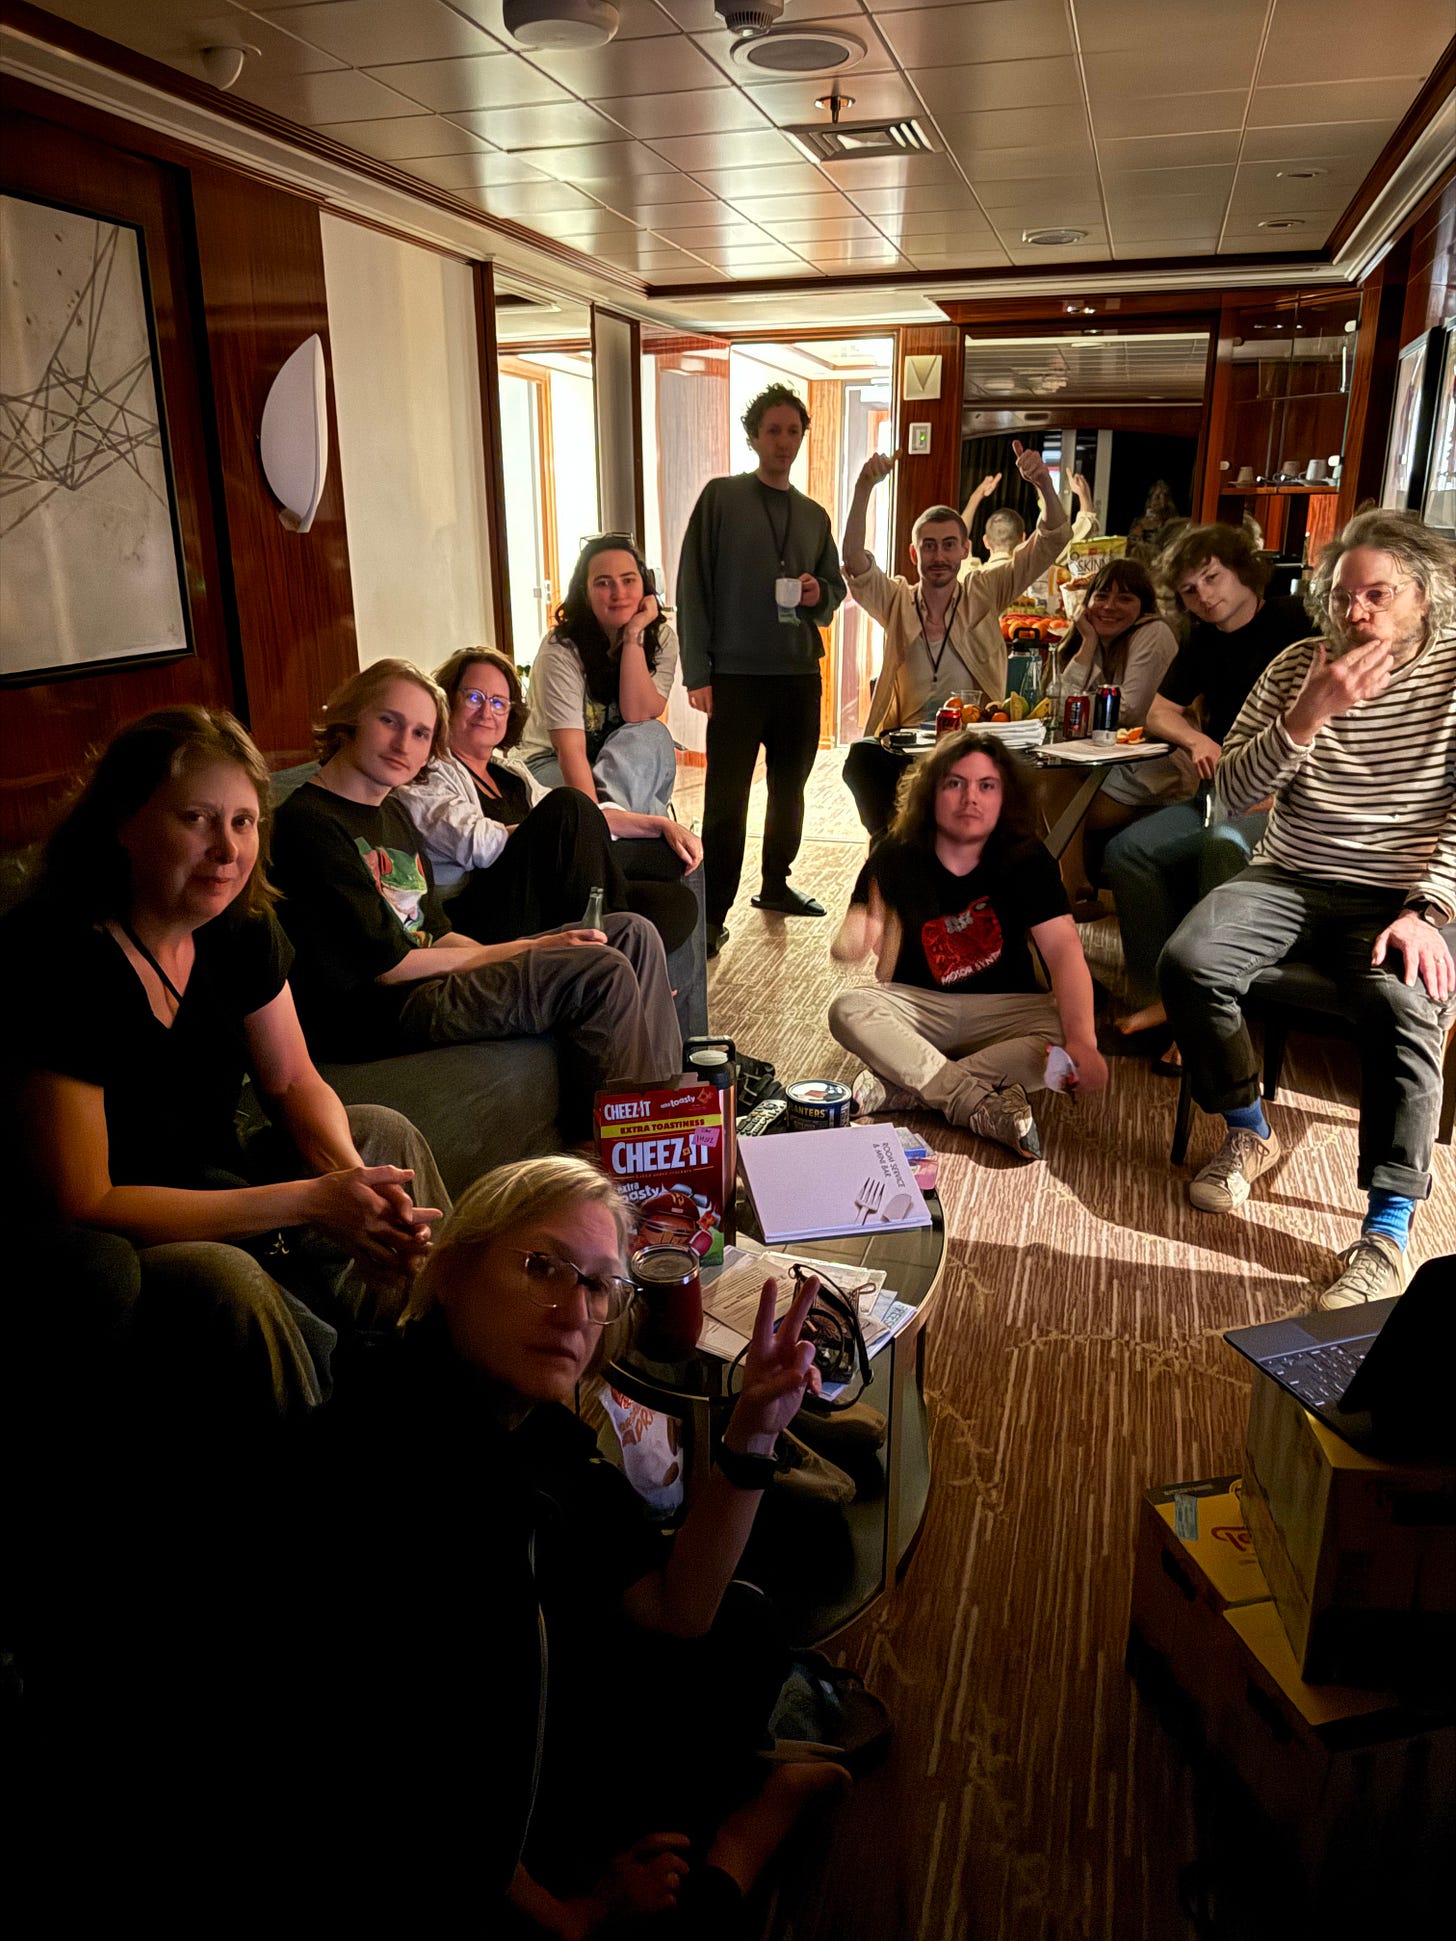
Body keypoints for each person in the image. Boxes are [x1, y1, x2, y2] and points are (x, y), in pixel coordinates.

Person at [316, 1156, 848, 1934]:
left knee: (743, 1626)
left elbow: (678, 1607)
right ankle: (749, 1827)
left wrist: (754, 1431)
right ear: (455, 1269)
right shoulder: (384, 1458)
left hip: (547, 1724)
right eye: (543, 1266)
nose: (574, 1308)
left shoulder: (539, 1435)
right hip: (442, 1821)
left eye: (598, 1285)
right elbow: (400, 1773)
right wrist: (571, 1911)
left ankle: (732, 1803)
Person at [9, 705, 447, 1412]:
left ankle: (448, 1356)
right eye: (197, 819)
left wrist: (356, 1182)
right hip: (114, 1226)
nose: (227, 850)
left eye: (244, 822)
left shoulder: (239, 925)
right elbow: (86, 1198)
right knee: (227, 1279)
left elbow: (292, 1078)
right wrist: (312, 1198)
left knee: (380, 1135)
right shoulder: (57, 956)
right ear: (126, 821)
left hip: (215, 1170)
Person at [1160, 510, 1456, 1306]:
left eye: (1378, 595)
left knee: (1406, 998)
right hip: (1290, 872)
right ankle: (1251, 1129)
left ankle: (1387, 1230)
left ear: (1423, 598)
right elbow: (1233, 794)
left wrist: (1430, 910)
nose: (1357, 612)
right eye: (1345, 596)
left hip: (1403, 895)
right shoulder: (1299, 666)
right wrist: (1307, 714)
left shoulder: (1455, 673)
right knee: (1187, 962)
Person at [270, 660, 682, 1139]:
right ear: (351, 716)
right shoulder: (309, 823)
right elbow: (390, 966)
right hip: (385, 1008)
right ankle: (629, 1154)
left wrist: (533, 948)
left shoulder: (391, 815)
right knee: (602, 967)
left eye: (421, 733)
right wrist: (528, 949)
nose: (405, 744)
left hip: (427, 979)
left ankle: (672, 1126)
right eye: (389, 721)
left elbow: (437, 932)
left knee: (632, 931)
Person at [829, 730, 1108, 1160]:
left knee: (1063, 1037)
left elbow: (1065, 954)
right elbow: (852, 941)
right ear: (931, 793)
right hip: (920, 1006)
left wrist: (1084, 1043)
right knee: (847, 1010)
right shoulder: (894, 852)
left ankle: (909, 1088)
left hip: (1008, 1008)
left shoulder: (1028, 858)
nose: (970, 799)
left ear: (1004, 797)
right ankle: (973, 1100)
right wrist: (854, 935)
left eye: (986, 786)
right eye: (955, 783)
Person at [1102, 524, 1311, 1053]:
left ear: (1243, 570)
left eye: (1212, 578)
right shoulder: (1200, 640)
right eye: (1191, 590)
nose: (1205, 596)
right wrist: (1195, 738)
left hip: (1287, 801)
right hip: (1219, 792)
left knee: (1225, 847)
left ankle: (1203, 1013)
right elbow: (1156, 713)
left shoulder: (1298, 619)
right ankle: (1160, 998)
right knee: (1128, 851)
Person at [677, 383, 847, 955]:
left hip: (798, 674)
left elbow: (835, 590)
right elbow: (692, 587)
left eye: (792, 431)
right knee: (726, 800)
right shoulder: (721, 498)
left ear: (802, 438)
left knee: (790, 788)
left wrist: (814, 589)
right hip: (735, 677)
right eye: (772, 430)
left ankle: (776, 884)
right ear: (753, 436)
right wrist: (698, 673)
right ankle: (712, 913)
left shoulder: (813, 514)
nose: (783, 441)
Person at [398, 645, 699, 954]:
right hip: (482, 916)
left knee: (674, 895)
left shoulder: (510, 773)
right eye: (474, 697)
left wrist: (658, 825)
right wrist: (555, 835)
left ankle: (607, 949)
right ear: (447, 701)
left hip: (550, 901)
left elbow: (586, 818)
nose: (487, 712)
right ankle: (601, 961)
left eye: (499, 703)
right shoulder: (429, 772)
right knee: (567, 805)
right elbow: (475, 842)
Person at [839, 441, 1070, 840]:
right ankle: (890, 849)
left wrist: (1043, 485)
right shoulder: (895, 600)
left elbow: (1051, 539)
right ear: (914, 553)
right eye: (929, 545)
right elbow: (855, 562)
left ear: (965, 550)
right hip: (908, 745)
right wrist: (863, 489)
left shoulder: (984, 590)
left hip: (972, 744)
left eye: (949, 544)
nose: (939, 555)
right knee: (860, 759)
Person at [1043, 556, 1190, 914]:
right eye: (1101, 595)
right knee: (1033, 785)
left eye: (1125, 598)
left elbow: (1129, 712)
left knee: (1049, 792)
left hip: (1154, 768)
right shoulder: (1096, 640)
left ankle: (1064, 893)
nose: (1109, 606)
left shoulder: (1153, 634)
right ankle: (1062, 891)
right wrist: (1088, 642)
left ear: (1143, 607)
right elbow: (1058, 705)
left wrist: (1081, 710)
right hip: (1103, 764)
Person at [519, 533, 683, 821]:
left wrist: (633, 636)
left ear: (645, 586)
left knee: (654, 734)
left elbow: (638, 714)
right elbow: (569, 750)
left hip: (617, 762)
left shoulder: (662, 638)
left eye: (628, 579)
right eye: (603, 582)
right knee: (647, 814)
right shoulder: (561, 648)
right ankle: (618, 834)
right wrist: (596, 823)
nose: (618, 592)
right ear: (586, 592)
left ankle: (618, 833)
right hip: (550, 762)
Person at [962, 466, 1098, 568]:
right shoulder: (1037, 569)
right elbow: (1080, 531)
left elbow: (958, 534)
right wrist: (1083, 496)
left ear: (986, 541)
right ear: (1023, 538)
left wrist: (977, 495)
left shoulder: (973, 576)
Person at [1127, 478, 1180, 559]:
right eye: (1156, 496)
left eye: (1164, 496)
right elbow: (1130, 544)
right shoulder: (1139, 521)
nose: (1159, 500)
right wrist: (1141, 526)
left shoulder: (1172, 523)